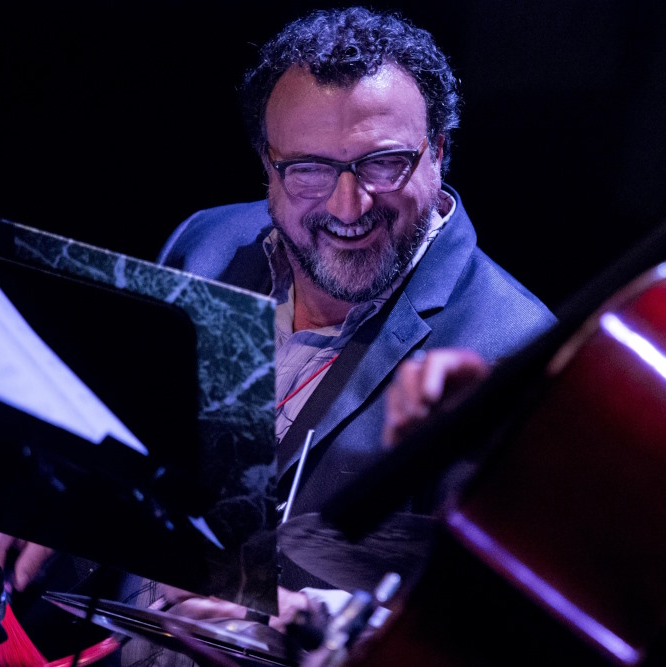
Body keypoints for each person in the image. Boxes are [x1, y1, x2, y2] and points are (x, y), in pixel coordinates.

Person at [153, 5, 555, 631]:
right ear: (267, 164)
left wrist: (303, 616)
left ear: (438, 151)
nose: (349, 206)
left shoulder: (516, 348)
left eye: (383, 163)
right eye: (309, 169)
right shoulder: (202, 245)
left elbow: (502, 621)